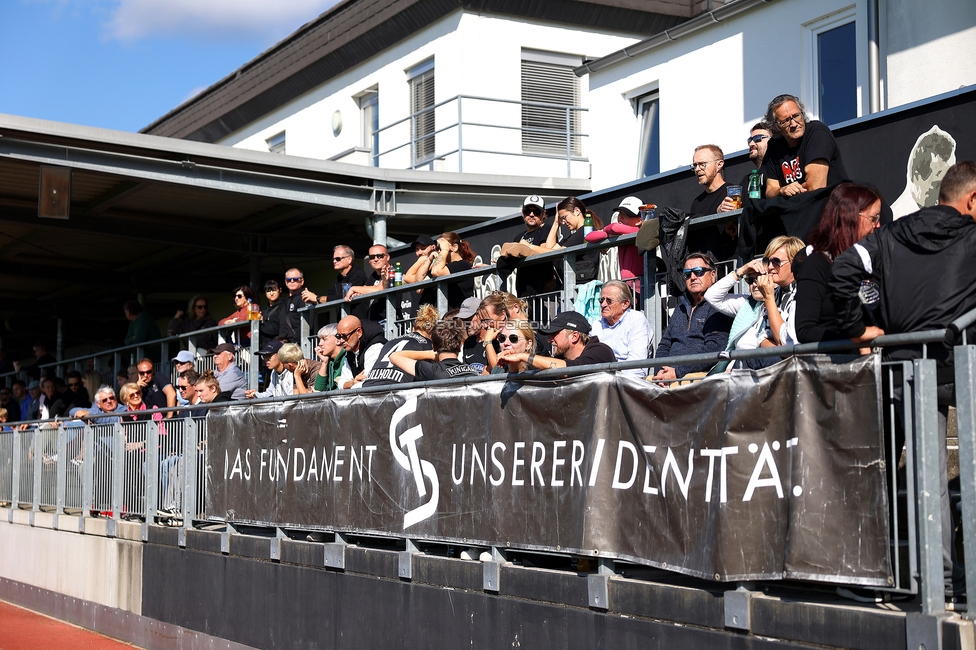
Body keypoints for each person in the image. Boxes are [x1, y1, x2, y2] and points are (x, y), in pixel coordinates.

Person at [829, 161, 976, 602]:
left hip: (910, 367)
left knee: (926, 481)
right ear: (972, 200)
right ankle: (959, 587)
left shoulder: (890, 235)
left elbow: (843, 273)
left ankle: (939, 583)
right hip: (964, 364)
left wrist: (859, 329)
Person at [794, 183, 882, 343]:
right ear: (850, 218)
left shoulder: (874, 263)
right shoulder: (817, 264)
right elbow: (805, 330)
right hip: (842, 363)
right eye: (873, 218)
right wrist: (856, 337)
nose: (878, 225)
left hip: (880, 363)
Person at [704, 236, 805, 370]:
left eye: (776, 261)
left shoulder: (803, 292)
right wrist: (741, 271)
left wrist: (781, 346)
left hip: (793, 370)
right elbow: (762, 339)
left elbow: (790, 345)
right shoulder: (766, 298)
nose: (769, 267)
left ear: (794, 263)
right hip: (763, 366)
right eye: (767, 261)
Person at [652, 252, 733, 382]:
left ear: (713, 275)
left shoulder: (720, 307)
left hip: (701, 377)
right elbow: (665, 345)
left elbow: (714, 349)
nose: (693, 277)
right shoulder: (680, 308)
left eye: (699, 271)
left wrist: (677, 372)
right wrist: (660, 371)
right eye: (687, 274)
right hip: (669, 375)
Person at [761, 94, 848, 198]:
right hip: (799, 210)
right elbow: (770, 191)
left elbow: (815, 187)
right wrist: (782, 190)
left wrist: (786, 195)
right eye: (785, 121)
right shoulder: (774, 145)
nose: (793, 124)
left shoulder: (817, 132)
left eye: (796, 116)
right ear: (776, 127)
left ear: (802, 114)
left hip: (832, 207)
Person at [500, 311, 616, 370]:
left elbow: (572, 369)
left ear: (574, 336)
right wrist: (513, 361)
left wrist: (523, 356)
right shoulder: (560, 359)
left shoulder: (600, 351)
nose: (549, 340)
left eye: (554, 334)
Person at [363, 305, 438, 387]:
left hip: (369, 386)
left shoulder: (390, 342)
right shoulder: (428, 345)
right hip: (397, 389)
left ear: (413, 328)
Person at [589, 280, 651, 379]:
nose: (603, 304)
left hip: (626, 381)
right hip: (600, 379)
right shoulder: (597, 324)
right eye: (601, 300)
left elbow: (636, 365)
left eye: (609, 301)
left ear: (625, 304)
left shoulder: (636, 319)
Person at [389, 318, 479, 381]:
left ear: (434, 347)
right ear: (460, 346)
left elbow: (394, 356)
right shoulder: (472, 371)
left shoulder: (432, 370)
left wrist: (431, 354)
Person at [690, 144, 738, 260]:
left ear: (719, 165)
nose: (697, 169)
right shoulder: (697, 202)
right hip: (706, 270)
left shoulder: (734, 192)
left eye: (702, 164)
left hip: (731, 265)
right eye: (695, 165)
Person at [540, 196, 603, 285]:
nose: (564, 222)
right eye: (562, 219)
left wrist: (531, 247)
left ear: (577, 211)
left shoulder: (585, 230)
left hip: (581, 289)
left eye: (565, 217)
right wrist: (556, 222)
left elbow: (555, 253)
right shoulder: (575, 235)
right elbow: (549, 249)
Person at [585, 196, 646, 284]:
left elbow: (614, 227)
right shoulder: (618, 233)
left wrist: (606, 232)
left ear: (639, 220)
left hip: (642, 284)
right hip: (628, 284)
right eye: (620, 213)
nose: (620, 217)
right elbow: (589, 237)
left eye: (627, 215)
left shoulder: (640, 231)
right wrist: (608, 234)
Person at [303, 245, 369, 309]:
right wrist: (314, 299)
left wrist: (317, 298)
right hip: (343, 317)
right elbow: (330, 297)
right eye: (333, 259)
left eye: (338, 259)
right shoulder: (338, 278)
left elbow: (346, 296)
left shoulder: (358, 274)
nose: (334, 261)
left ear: (349, 259)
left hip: (359, 317)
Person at [335, 316, 388, 389]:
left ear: (359, 332)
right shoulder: (350, 350)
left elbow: (367, 383)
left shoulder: (376, 347)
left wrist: (350, 384)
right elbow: (341, 383)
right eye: (338, 336)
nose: (341, 341)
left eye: (345, 336)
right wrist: (352, 382)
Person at [344, 244, 393, 322]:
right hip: (374, 321)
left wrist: (353, 288)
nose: (376, 259)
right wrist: (358, 292)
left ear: (387, 257)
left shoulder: (393, 271)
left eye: (380, 256)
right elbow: (365, 289)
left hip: (389, 321)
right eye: (372, 257)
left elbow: (380, 288)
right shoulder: (373, 276)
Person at [428, 232, 476, 310]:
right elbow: (418, 280)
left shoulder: (462, 265)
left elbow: (436, 272)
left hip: (459, 318)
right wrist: (429, 260)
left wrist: (445, 249)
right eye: (437, 249)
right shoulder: (445, 267)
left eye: (440, 248)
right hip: (448, 318)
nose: (439, 252)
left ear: (454, 247)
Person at [311, 324, 352, 392]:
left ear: (338, 340)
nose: (320, 344)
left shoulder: (348, 357)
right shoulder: (329, 361)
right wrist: (324, 362)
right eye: (320, 340)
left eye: (324, 339)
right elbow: (318, 389)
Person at [279, 268, 307, 343]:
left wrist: (298, 341)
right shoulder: (283, 301)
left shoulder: (305, 297)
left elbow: (309, 323)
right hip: (283, 344)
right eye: (289, 279)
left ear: (302, 281)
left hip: (298, 343)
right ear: (285, 282)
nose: (292, 281)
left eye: (295, 279)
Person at [259, 280, 284, 346]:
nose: (271, 293)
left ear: (280, 290)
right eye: (268, 291)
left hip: (278, 344)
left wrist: (262, 322)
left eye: (274, 290)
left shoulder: (284, 305)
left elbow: (278, 328)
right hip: (266, 345)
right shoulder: (265, 309)